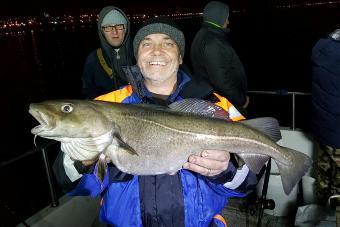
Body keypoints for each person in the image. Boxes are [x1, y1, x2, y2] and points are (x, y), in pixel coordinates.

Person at [54, 17, 261, 226]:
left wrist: (225, 170)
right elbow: (75, 185)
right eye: (146, 44)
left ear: (180, 57)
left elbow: (247, 182)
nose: (156, 50)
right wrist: (80, 161)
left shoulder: (217, 106)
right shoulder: (105, 106)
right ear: (137, 56)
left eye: (168, 43)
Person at [190, 1, 249, 115]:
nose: (227, 21)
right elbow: (222, 81)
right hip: (225, 104)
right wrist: (241, 100)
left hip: (212, 99)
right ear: (218, 17)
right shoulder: (213, 42)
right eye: (226, 18)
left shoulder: (204, 35)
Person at [311, 28, 340, 206]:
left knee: (324, 178)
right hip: (338, 134)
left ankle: (321, 210)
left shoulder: (321, 48)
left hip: (323, 130)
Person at [82, 6, 134, 99]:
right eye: (108, 27)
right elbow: (88, 94)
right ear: (102, 31)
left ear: (125, 29)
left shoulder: (139, 54)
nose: (115, 31)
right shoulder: (93, 59)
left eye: (119, 26)